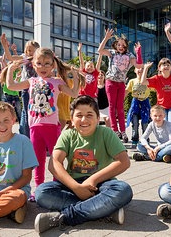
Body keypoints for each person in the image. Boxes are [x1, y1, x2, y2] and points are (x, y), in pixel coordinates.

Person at [33, 95, 132, 233]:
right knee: (41, 192)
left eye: (89, 115)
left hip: (102, 184)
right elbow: (54, 163)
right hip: (73, 184)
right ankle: (104, 210)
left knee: (123, 190)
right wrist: (76, 187)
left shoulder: (106, 133)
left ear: (98, 119)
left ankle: (65, 217)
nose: (84, 120)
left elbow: (123, 161)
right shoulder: (68, 134)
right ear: (72, 120)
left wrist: (93, 179)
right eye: (79, 115)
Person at [4, 47, 80, 201]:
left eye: (47, 63)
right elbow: (11, 86)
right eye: (39, 63)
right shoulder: (31, 81)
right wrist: (11, 69)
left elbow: (74, 94)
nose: (43, 67)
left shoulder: (57, 81)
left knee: (56, 158)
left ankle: (57, 186)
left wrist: (76, 78)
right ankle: (38, 188)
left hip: (52, 126)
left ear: (53, 65)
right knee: (37, 160)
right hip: (34, 127)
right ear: (33, 65)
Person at [98, 28, 142, 142]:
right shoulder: (112, 53)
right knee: (112, 106)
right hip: (110, 82)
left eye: (123, 45)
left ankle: (123, 131)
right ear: (116, 45)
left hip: (121, 83)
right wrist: (106, 38)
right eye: (119, 44)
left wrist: (138, 52)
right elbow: (100, 50)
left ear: (126, 46)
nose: (121, 46)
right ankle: (115, 130)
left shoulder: (130, 55)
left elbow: (138, 66)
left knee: (120, 108)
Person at [125, 66, 152, 148]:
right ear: (135, 70)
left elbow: (156, 88)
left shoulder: (148, 81)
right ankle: (135, 139)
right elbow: (126, 92)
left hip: (145, 103)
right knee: (135, 123)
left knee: (145, 124)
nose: (140, 70)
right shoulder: (132, 81)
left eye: (142, 68)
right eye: (138, 68)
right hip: (135, 103)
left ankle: (145, 140)